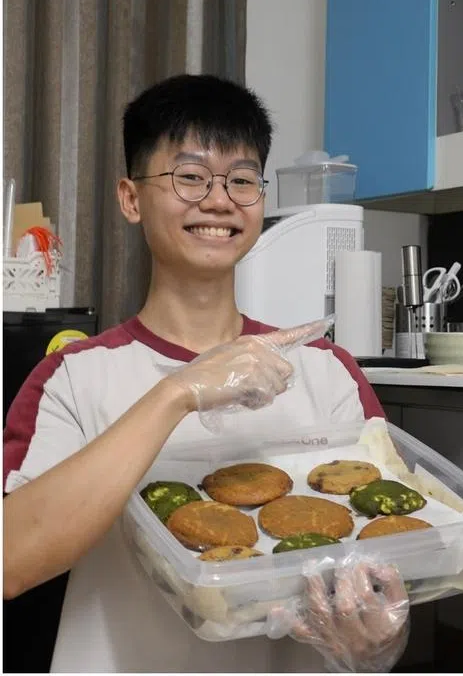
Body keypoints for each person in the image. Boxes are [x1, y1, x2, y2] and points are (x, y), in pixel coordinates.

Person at [3, 74, 408, 672]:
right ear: (131, 198)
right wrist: (177, 392)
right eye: (189, 176)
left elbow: (392, 548)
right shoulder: (71, 377)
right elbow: (11, 559)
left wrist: (378, 641)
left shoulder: (328, 371)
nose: (219, 201)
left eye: (242, 180)